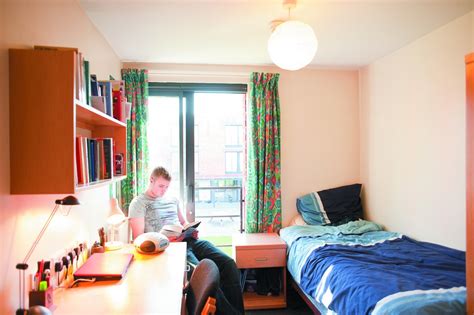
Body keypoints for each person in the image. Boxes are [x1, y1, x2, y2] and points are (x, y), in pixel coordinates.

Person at [129, 167, 244, 315]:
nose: (164, 190)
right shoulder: (139, 203)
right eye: (161, 186)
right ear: (151, 180)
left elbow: (183, 222)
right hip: (170, 248)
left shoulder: (172, 200)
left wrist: (190, 229)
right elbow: (139, 238)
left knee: (229, 264)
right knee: (204, 278)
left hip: (189, 240)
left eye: (167, 187)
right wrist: (166, 240)